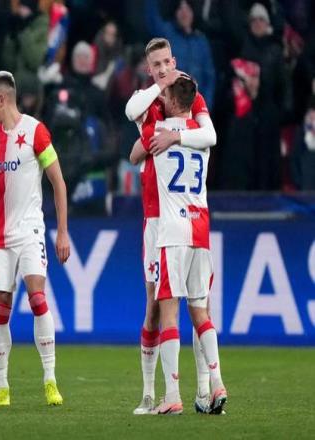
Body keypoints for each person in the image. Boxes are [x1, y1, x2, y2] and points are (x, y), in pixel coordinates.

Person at [126, 37, 216, 415]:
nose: (163, 69)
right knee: (155, 307)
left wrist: (173, 136)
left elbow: (209, 135)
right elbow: (132, 115)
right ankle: (150, 393)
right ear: (149, 69)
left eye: (167, 62)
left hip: (180, 215)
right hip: (155, 219)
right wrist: (157, 88)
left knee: (196, 306)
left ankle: (203, 390)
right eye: (156, 65)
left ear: (174, 61)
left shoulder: (188, 95)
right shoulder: (151, 101)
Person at [0, 71, 70, 406]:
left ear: (3, 99)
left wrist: (62, 231)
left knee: (37, 299)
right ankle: (3, 386)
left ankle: (50, 380)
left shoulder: (35, 131)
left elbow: (58, 182)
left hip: (30, 230)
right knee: (0, 308)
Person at [149, 77, 227, 415]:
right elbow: (210, 134)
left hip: (172, 231)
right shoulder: (202, 133)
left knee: (169, 311)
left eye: (165, 95)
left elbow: (132, 111)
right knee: (200, 312)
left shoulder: (158, 131)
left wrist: (158, 85)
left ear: (172, 101)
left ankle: (172, 395)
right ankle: (218, 382)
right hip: (201, 228)